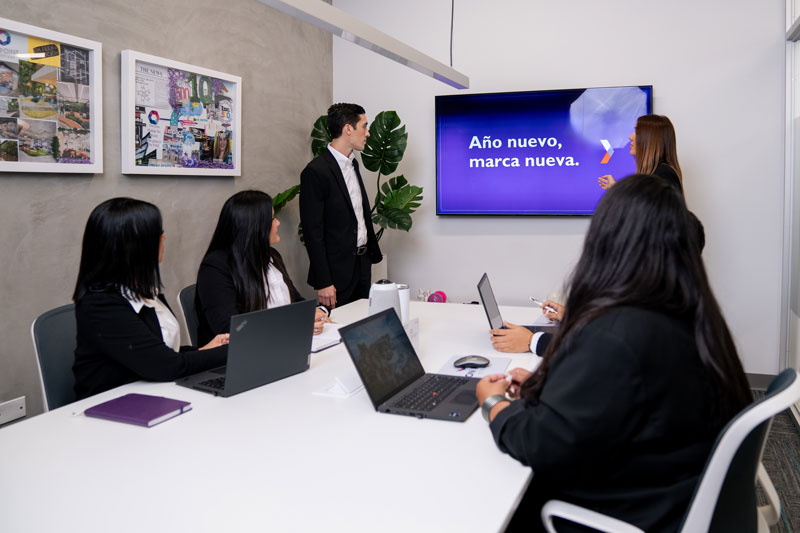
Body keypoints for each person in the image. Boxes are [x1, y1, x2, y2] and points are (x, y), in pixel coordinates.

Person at [476, 175, 751, 532]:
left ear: (609, 242)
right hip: (667, 495)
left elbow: (541, 444)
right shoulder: (688, 314)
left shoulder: (618, 332)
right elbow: (622, 399)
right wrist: (547, 389)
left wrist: (492, 404)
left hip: (627, 512)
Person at [72, 198, 229, 400]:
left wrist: (205, 349)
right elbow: (167, 365)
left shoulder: (145, 291)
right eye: (157, 233)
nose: (164, 237)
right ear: (133, 246)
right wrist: (232, 350)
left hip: (156, 393)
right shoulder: (100, 306)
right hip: (115, 407)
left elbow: (157, 351)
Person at [195, 190, 330, 346]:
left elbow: (296, 301)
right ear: (253, 227)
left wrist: (312, 313)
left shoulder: (272, 256)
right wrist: (296, 326)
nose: (278, 223)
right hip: (243, 356)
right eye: (272, 219)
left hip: (286, 344)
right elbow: (232, 329)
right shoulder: (215, 268)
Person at [300, 103, 382, 309]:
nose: (368, 133)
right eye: (364, 126)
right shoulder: (316, 171)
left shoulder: (353, 163)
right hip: (335, 274)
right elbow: (312, 232)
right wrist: (324, 281)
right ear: (348, 129)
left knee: (363, 325)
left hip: (362, 266)